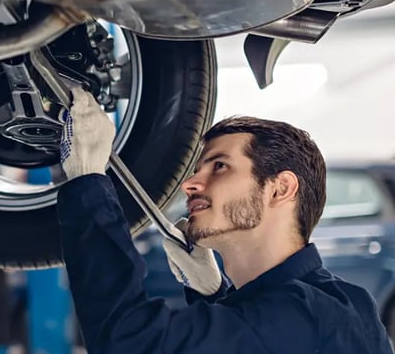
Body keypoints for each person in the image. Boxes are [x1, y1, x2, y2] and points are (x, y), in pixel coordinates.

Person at [57, 87, 392, 354]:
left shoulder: (302, 313)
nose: (190, 184)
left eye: (219, 166)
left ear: (280, 189)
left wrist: (87, 182)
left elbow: (128, 341)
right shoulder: (347, 301)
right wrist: (213, 293)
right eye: (197, 169)